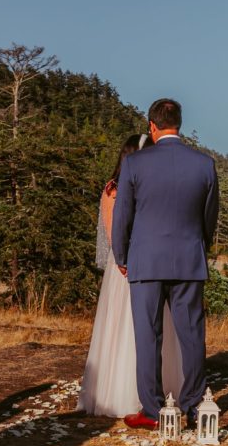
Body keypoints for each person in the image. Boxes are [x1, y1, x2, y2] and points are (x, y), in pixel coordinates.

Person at [111, 98, 219, 430]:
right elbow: (209, 217)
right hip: (189, 260)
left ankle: (153, 411)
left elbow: (123, 215)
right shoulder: (204, 164)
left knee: (149, 337)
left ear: (152, 126)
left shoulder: (134, 165)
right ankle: (194, 405)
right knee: (192, 336)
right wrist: (200, 247)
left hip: (145, 261)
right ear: (179, 124)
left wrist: (121, 255)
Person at [77, 134, 184, 417]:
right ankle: (131, 393)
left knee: (147, 328)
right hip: (129, 265)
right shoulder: (115, 190)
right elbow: (114, 232)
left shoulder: (128, 187)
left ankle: (150, 391)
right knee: (139, 328)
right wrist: (125, 260)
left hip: (138, 263)